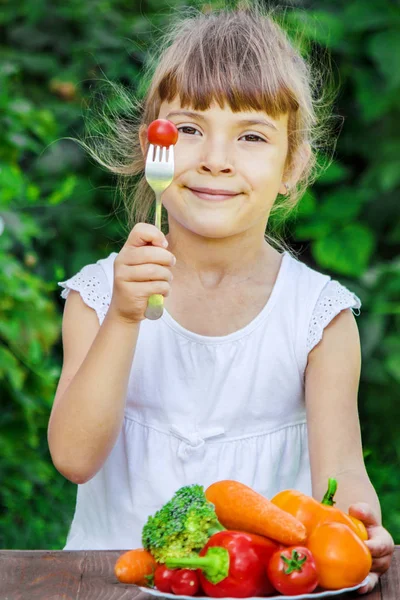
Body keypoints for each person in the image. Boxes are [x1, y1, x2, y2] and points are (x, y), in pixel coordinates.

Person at [47, 2, 394, 593]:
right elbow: (76, 458)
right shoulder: (100, 295)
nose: (215, 158)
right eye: (187, 129)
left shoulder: (319, 321)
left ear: (293, 164)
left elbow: (341, 474)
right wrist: (126, 317)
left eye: (252, 136)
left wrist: (359, 528)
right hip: (113, 586)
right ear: (151, 148)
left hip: (254, 588)